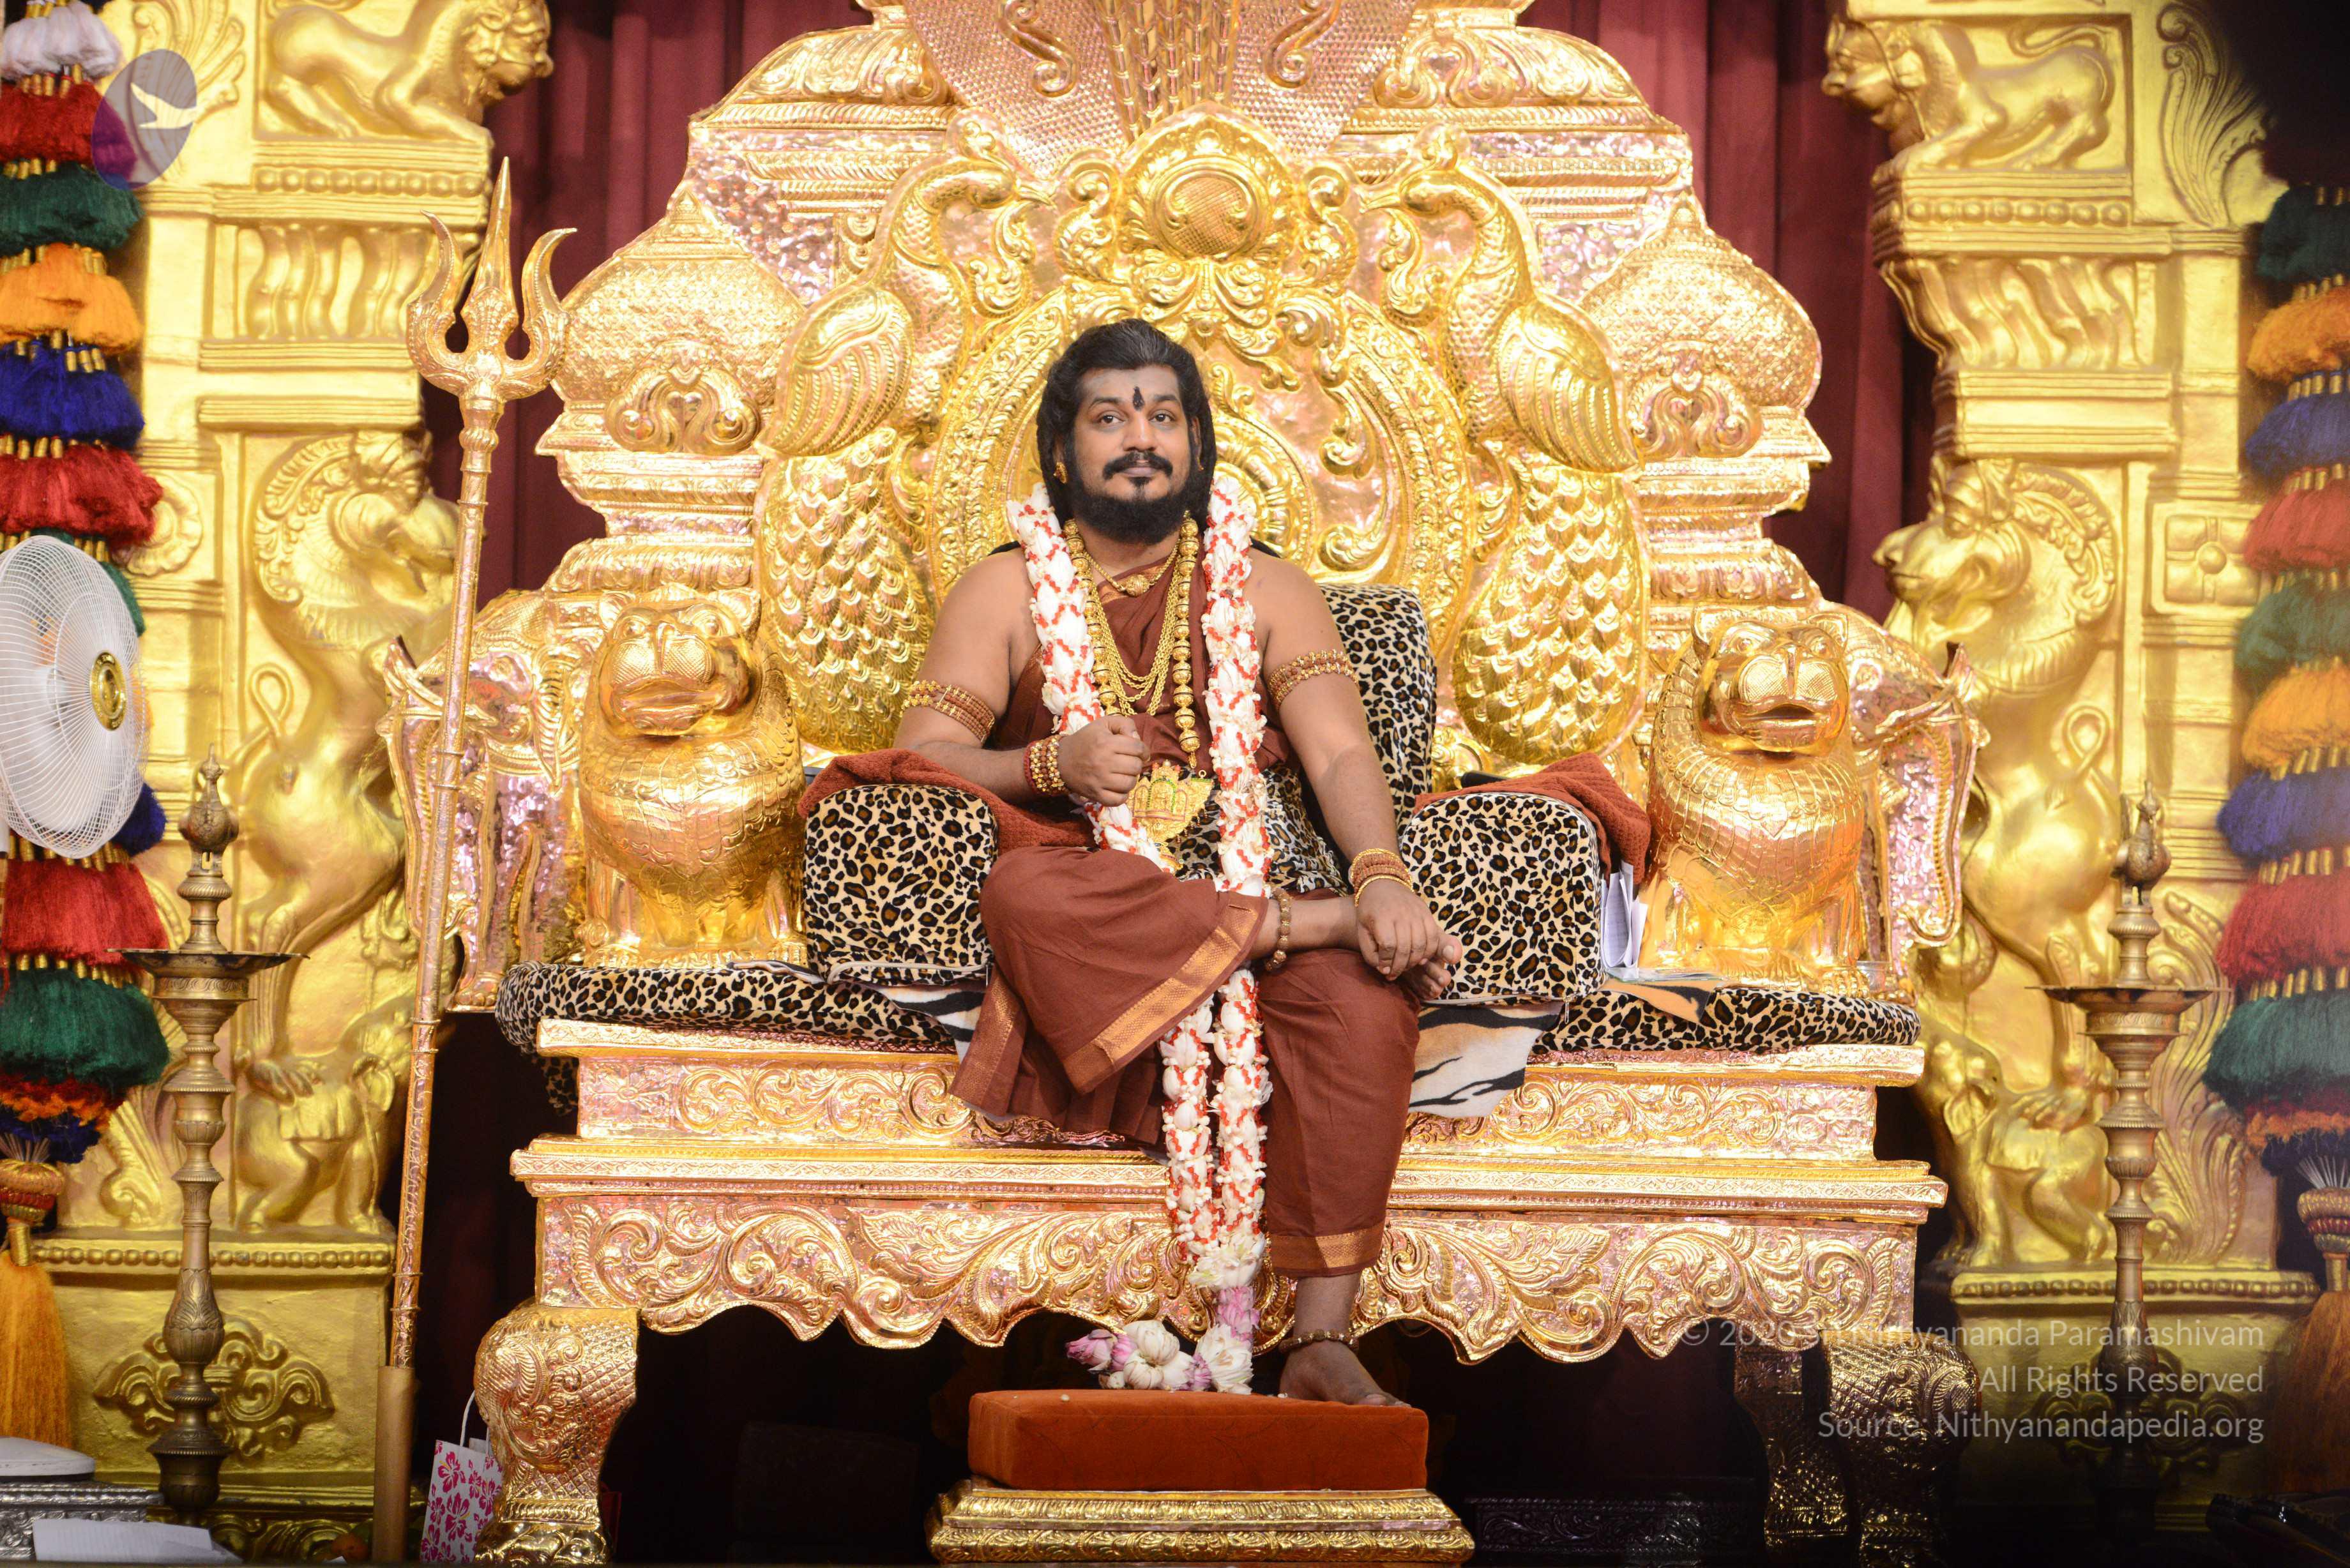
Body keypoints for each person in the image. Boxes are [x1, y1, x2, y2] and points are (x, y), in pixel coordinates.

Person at [891, 319, 1462, 1407]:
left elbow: (1340, 751)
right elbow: (921, 756)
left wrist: (1380, 876)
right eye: (1109, 418)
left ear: (1197, 443)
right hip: (1098, 887)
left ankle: (1322, 1339)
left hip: (1256, 873)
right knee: (1022, 890)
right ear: (1065, 454)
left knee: (1364, 1000)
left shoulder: (1268, 588)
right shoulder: (1004, 591)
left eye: (1163, 416)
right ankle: (1304, 925)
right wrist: (1049, 763)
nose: (1140, 439)